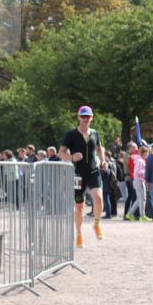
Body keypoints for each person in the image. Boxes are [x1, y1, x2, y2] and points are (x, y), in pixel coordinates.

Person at [58, 105, 107, 246]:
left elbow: (99, 148)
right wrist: (72, 157)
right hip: (78, 174)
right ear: (79, 117)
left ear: (92, 118)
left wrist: (103, 160)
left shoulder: (95, 133)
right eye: (83, 116)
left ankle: (96, 224)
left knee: (98, 199)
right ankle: (79, 234)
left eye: (88, 116)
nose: (85, 119)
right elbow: (60, 153)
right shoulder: (71, 134)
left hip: (93, 171)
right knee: (79, 206)